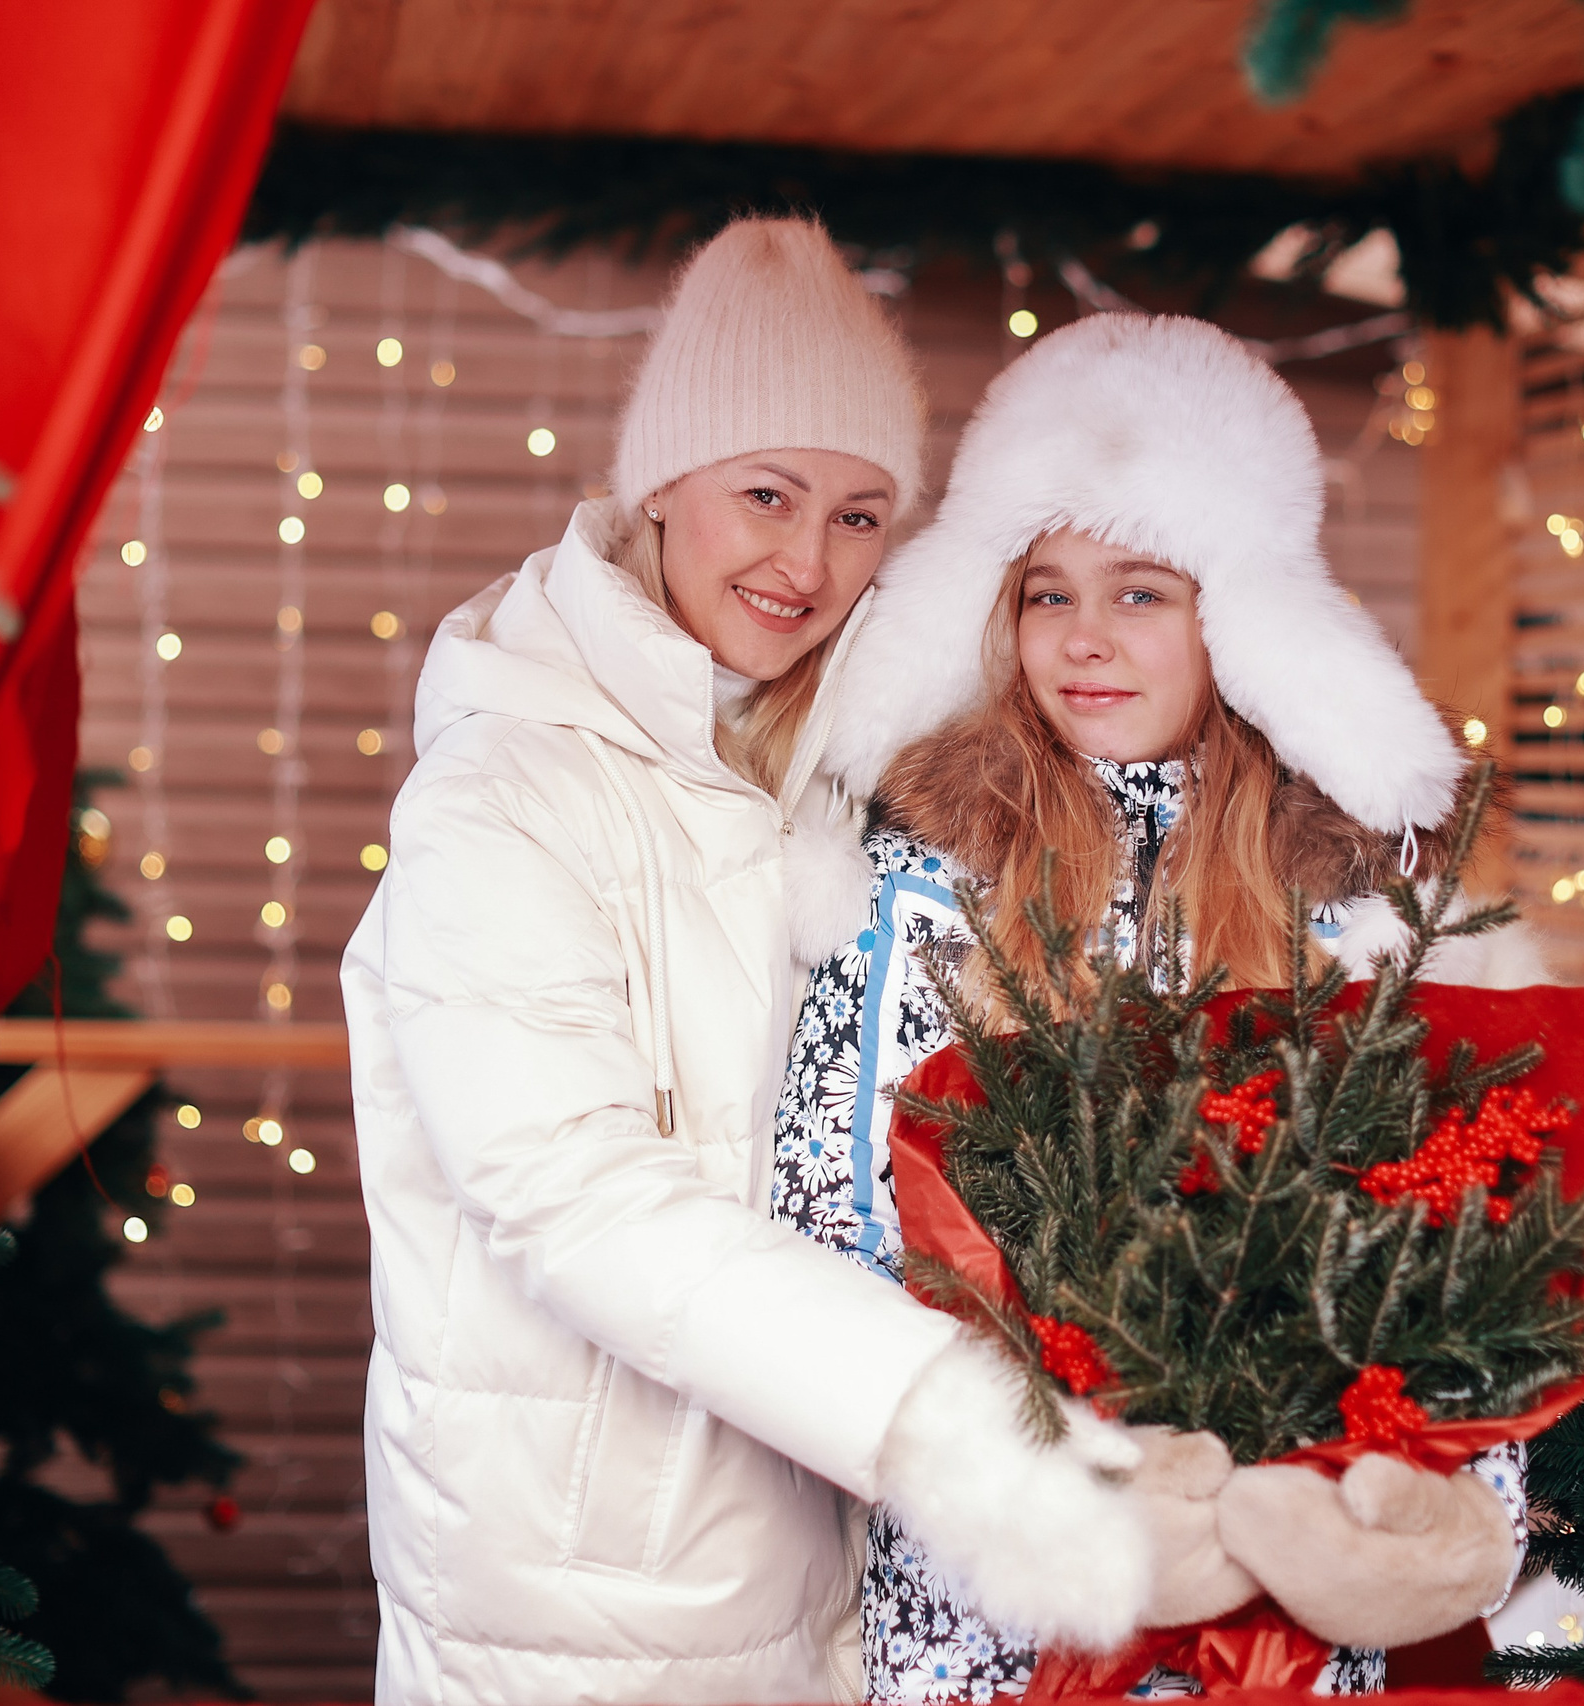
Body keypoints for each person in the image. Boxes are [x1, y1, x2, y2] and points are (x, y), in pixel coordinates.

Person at [343, 221, 1165, 1706]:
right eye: (767, 494)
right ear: (664, 481)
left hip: (809, 1563)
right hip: (574, 1593)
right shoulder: (502, 793)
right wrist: (935, 1411)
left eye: (860, 515)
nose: (807, 560)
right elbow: (565, 1186)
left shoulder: (846, 766)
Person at [774, 313, 1544, 1701]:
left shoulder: (1355, 908)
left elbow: (1452, 1238)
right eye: (1047, 591)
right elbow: (830, 1224)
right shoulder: (915, 883)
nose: (1084, 641)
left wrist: (1422, 1510)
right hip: (992, 1597)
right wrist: (1043, 1478)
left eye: (1141, 591)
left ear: (1236, 615)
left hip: (1278, 1595)